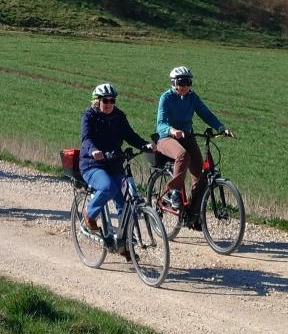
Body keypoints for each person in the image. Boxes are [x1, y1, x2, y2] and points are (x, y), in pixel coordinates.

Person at [154, 66, 234, 228]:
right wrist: (172, 130)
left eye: (188, 82)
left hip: (187, 137)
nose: (185, 86)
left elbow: (206, 114)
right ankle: (174, 192)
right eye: (181, 82)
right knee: (182, 155)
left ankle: (192, 214)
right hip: (166, 139)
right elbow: (160, 124)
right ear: (174, 83)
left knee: (202, 175)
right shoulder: (166, 98)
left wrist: (221, 128)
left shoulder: (192, 98)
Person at [79, 83, 151, 234]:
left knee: (125, 203)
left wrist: (145, 145)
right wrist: (93, 150)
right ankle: (89, 214)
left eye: (112, 100)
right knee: (108, 187)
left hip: (114, 163)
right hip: (93, 164)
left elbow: (130, 135)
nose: (109, 104)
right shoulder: (89, 116)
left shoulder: (119, 116)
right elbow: (86, 139)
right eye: (105, 100)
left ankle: (124, 242)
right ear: (96, 101)